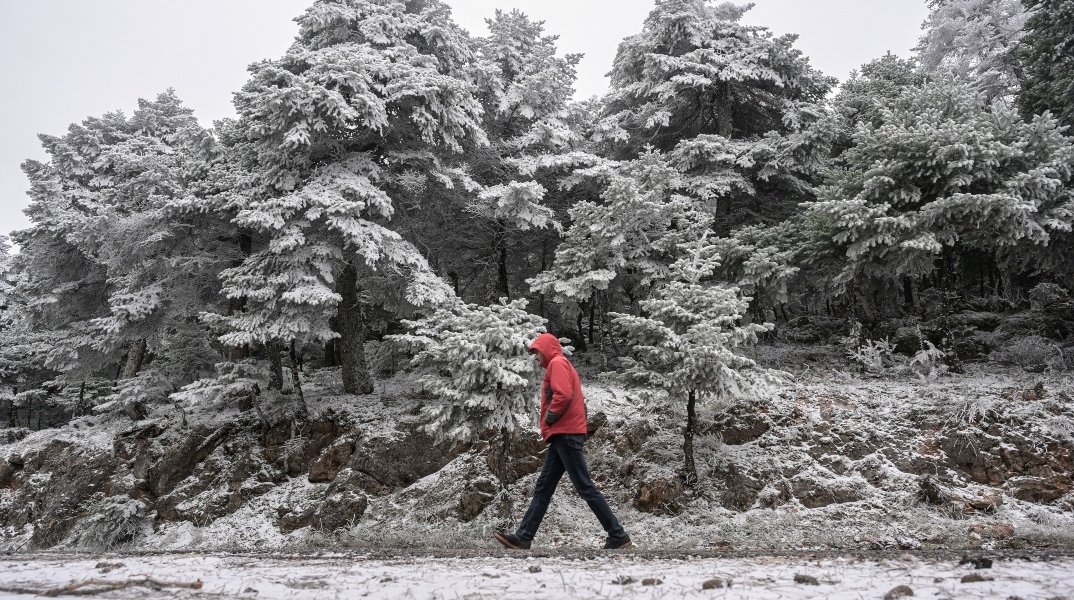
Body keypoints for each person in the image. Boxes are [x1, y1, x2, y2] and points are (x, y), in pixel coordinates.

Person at [494, 332, 633, 550]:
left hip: (566, 433)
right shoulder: (560, 364)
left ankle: (618, 535)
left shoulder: (557, 363)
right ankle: (524, 537)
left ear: (547, 349)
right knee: (543, 488)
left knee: (584, 486)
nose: (535, 357)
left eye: (537, 352)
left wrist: (551, 417)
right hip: (564, 434)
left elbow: (563, 394)